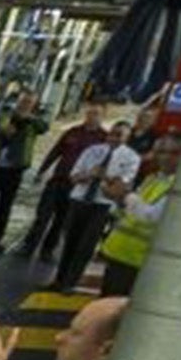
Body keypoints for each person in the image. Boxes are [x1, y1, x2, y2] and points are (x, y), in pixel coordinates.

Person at [52, 120, 140, 292]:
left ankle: (70, 282)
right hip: (80, 199)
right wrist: (90, 174)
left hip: (102, 204)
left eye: (119, 135)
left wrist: (105, 176)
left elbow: (122, 186)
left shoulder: (131, 158)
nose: (114, 138)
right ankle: (59, 278)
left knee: (86, 245)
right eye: (112, 134)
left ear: (127, 138)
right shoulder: (93, 150)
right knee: (70, 240)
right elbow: (74, 176)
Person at [18, 103, 107, 265]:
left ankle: (47, 250)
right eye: (90, 113)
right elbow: (55, 151)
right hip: (58, 180)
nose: (92, 116)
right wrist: (42, 170)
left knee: (61, 221)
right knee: (42, 215)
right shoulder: (73, 132)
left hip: (77, 186)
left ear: (102, 117)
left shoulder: (103, 139)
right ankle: (28, 246)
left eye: (96, 114)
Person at [95, 134, 180, 297]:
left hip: (138, 260)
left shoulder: (178, 184)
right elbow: (129, 211)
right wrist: (118, 199)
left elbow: (152, 215)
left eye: (172, 152)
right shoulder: (152, 179)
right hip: (119, 253)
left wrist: (124, 194)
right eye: (161, 152)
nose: (164, 157)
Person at [0, 91, 46, 250]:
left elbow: (43, 127)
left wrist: (29, 118)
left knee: (4, 206)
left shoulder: (34, 121)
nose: (24, 104)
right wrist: (2, 132)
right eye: (23, 100)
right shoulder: (3, 113)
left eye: (29, 102)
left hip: (14, 169)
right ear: (17, 100)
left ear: (33, 105)